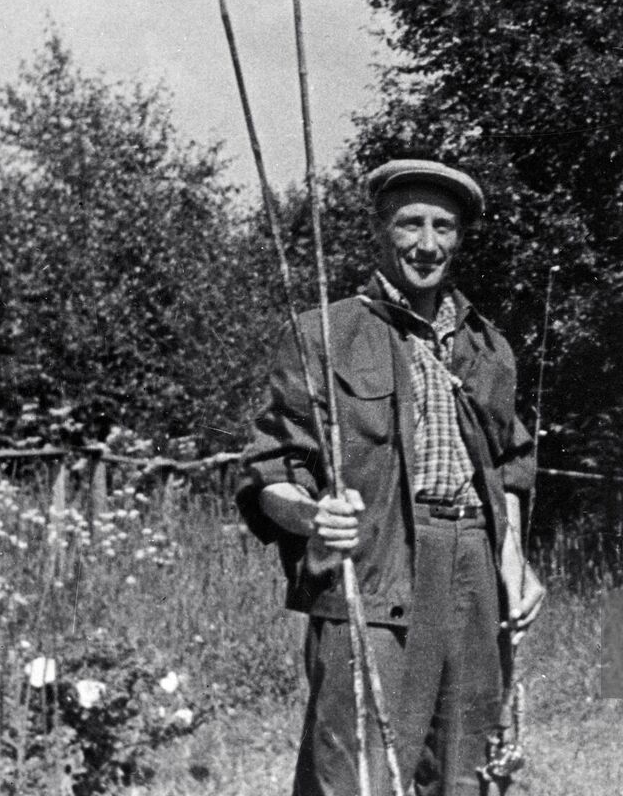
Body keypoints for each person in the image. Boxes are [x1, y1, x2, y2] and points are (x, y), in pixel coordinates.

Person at [236, 157, 545, 796]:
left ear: (459, 238)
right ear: (381, 229)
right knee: (357, 767)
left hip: (474, 568)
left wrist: (513, 558)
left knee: (468, 764)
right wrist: (311, 516)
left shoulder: (489, 347)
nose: (427, 244)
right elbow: (270, 471)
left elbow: (510, 471)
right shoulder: (325, 334)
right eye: (410, 223)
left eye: (444, 226)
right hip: (373, 565)